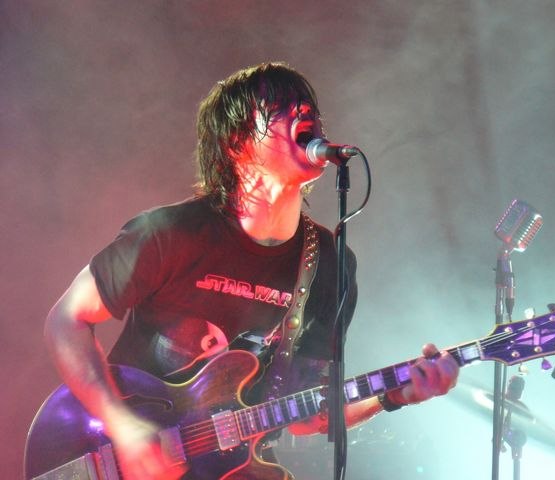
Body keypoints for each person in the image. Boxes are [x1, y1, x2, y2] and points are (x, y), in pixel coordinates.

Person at [44, 62, 459, 480]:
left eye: (309, 106)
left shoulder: (330, 263)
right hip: (118, 458)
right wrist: (123, 425)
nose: (304, 111)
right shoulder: (171, 233)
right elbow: (66, 320)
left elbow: (306, 414)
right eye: (280, 106)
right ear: (236, 142)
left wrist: (394, 394)